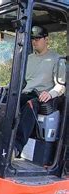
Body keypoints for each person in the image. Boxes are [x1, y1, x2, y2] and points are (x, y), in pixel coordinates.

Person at [14, 25, 66, 157]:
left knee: (30, 104)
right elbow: (23, 82)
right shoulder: (29, 59)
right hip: (26, 93)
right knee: (4, 100)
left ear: (46, 39)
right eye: (32, 39)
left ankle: (16, 147)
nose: (34, 41)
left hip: (42, 97)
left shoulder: (56, 59)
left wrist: (50, 93)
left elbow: (61, 86)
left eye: (37, 38)